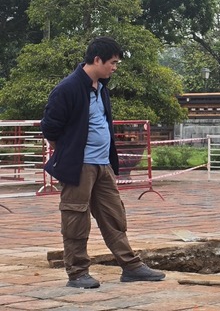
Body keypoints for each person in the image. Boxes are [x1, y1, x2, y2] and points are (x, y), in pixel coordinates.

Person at [40, 37, 165, 289]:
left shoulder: (101, 88)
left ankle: (131, 266)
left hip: (103, 164)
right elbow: (50, 128)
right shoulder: (68, 88)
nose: (115, 67)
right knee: (76, 218)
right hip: (79, 166)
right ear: (97, 60)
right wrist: (69, 152)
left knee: (114, 215)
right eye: (112, 62)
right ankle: (77, 273)